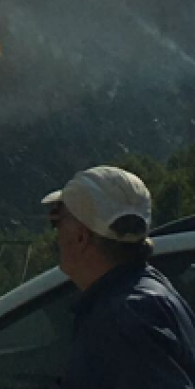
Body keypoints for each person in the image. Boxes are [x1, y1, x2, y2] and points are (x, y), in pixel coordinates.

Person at [43, 165, 195, 388]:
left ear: (80, 238)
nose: (56, 234)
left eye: (56, 221)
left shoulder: (121, 319)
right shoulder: (148, 292)